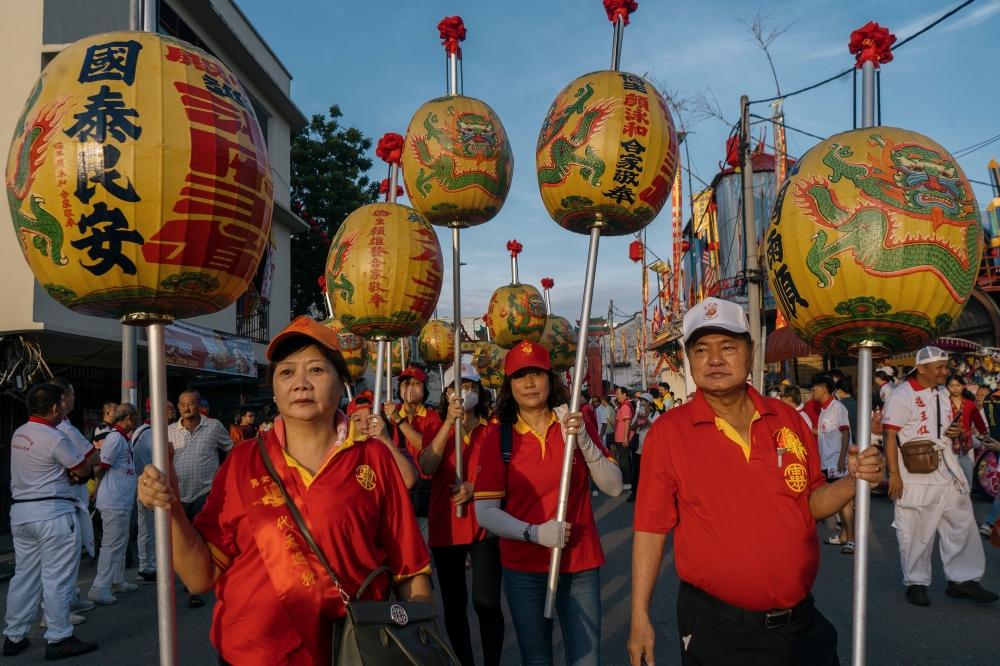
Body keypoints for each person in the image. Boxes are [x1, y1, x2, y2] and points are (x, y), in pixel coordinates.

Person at [138, 316, 432, 664]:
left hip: (349, 652)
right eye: (286, 372)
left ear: (342, 384)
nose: (301, 383)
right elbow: (201, 576)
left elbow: (409, 571)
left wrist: (421, 643)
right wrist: (167, 508)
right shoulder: (243, 461)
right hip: (251, 653)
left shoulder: (374, 458)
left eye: (317, 370)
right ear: (274, 389)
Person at [628, 297, 887, 666]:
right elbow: (651, 529)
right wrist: (639, 616)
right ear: (689, 360)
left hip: (800, 625)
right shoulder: (668, 433)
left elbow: (810, 503)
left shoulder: (788, 419)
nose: (715, 359)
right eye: (701, 349)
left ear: (751, 355)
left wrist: (852, 481)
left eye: (728, 347)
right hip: (718, 629)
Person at [474, 341, 622, 666]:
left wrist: (583, 439)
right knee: (537, 660)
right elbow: (484, 513)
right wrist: (535, 533)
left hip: (579, 565)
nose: (528, 384)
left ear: (551, 379)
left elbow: (612, 487)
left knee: (586, 660)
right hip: (523, 569)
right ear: (508, 385)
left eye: (536, 374)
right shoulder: (499, 438)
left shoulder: (573, 424)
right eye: (519, 376)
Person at [883, 346, 999, 607]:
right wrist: (895, 475)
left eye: (947, 367)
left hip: (948, 471)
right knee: (917, 532)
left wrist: (954, 431)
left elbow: (944, 431)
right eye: (940, 368)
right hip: (915, 476)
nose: (946, 372)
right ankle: (916, 583)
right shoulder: (901, 396)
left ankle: (962, 581)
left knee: (963, 525)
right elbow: (890, 435)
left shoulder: (941, 395)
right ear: (921, 368)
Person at [3, 383, 98, 659]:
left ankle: (14, 636)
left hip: (22, 514)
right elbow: (83, 468)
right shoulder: (55, 436)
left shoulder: (20, 433)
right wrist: (77, 474)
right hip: (53, 515)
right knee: (58, 578)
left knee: (24, 577)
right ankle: (59, 638)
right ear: (56, 407)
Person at [419, 361, 503, 666]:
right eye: (457, 387)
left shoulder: (493, 428)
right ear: (445, 394)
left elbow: (507, 475)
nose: (464, 393)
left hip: (485, 523)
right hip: (446, 525)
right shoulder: (433, 424)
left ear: (479, 392)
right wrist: (448, 424)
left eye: (470, 387)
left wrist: (475, 487)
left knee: (487, 600)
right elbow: (427, 467)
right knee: (455, 606)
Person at [168, 389, 234, 608]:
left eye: (191, 404)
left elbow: (230, 449)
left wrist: (222, 475)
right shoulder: (169, 431)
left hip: (206, 492)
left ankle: (195, 588)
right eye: (182, 405)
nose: (187, 408)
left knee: (202, 539)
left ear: (200, 406)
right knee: (182, 540)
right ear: (178, 408)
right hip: (179, 495)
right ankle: (190, 579)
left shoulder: (213, 426)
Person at [47, 377, 99, 619]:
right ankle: (57, 613)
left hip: (46, 504)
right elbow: (93, 460)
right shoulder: (65, 429)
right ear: (63, 399)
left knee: (53, 562)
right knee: (64, 560)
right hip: (65, 502)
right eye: (73, 394)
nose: (75, 398)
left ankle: (67, 601)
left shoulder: (33, 429)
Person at [87, 403, 140, 605]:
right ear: (129, 417)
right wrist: (99, 487)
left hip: (121, 499)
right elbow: (101, 467)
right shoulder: (114, 438)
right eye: (136, 415)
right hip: (114, 500)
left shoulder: (122, 438)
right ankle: (99, 587)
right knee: (111, 544)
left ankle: (116, 581)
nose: (137, 419)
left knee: (120, 542)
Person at [385, 365, 442, 539]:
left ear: (424, 390)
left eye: (416, 383)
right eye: (405, 384)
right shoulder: (386, 415)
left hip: (425, 490)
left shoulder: (433, 418)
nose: (410, 388)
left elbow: (426, 448)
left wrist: (398, 420)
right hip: (396, 489)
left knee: (423, 542)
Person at [811, 374, 854, 554]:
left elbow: (845, 433)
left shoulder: (837, 407)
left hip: (838, 461)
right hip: (827, 461)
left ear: (823, 389)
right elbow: (823, 434)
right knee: (838, 501)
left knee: (844, 502)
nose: (812, 392)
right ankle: (843, 535)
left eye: (814, 388)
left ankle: (852, 539)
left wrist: (842, 458)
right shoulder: (824, 410)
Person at [345, 391, 419, 491]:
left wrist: (385, 439)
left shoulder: (401, 454)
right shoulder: (343, 457)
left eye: (372, 418)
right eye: (358, 420)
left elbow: (409, 482)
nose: (365, 426)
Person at [131, 399, 170, 584]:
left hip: (140, 485)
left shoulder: (138, 431)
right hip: (151, 487)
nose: (171, 412)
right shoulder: (154, 434)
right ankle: (150, 568)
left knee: (144, 529)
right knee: (152, 530)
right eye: (167, 408)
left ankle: (144, 566)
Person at [943, 374, 989, 486]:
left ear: (963, 386)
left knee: (968, 475)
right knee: (950, 475)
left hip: (967, 443)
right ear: (947, 387)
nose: (955, 388)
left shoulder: (970, 404)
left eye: (958, 385)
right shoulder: (944, 403)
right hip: (948, 442)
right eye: (951, 386)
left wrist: (986, 436)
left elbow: (979, 423)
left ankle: (966, 500)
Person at [628, 393, 659, 503]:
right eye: (641, 400)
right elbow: (632, 428)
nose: (642, 402)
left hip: (650, 446)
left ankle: (650, 493)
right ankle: (634, 492)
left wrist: (646, 418)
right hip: (638, 447)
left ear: (649, 402)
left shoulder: (655, 414)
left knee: (650, 471)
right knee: (636, 470)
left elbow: (656, 428)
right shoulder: (637, 414)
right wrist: (638, 419)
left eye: (644, 401)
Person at [614, 385, 635, 490]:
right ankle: (628, 480)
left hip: (623, 437)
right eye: (616, 393)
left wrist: (625, 437)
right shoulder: (623, 405)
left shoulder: (625, 406)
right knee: (625, 458)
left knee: (624, 460)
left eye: (618, 394)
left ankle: (626, 481)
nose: (616, 396)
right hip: (620, 437)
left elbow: (627, 422)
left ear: (624, 395)